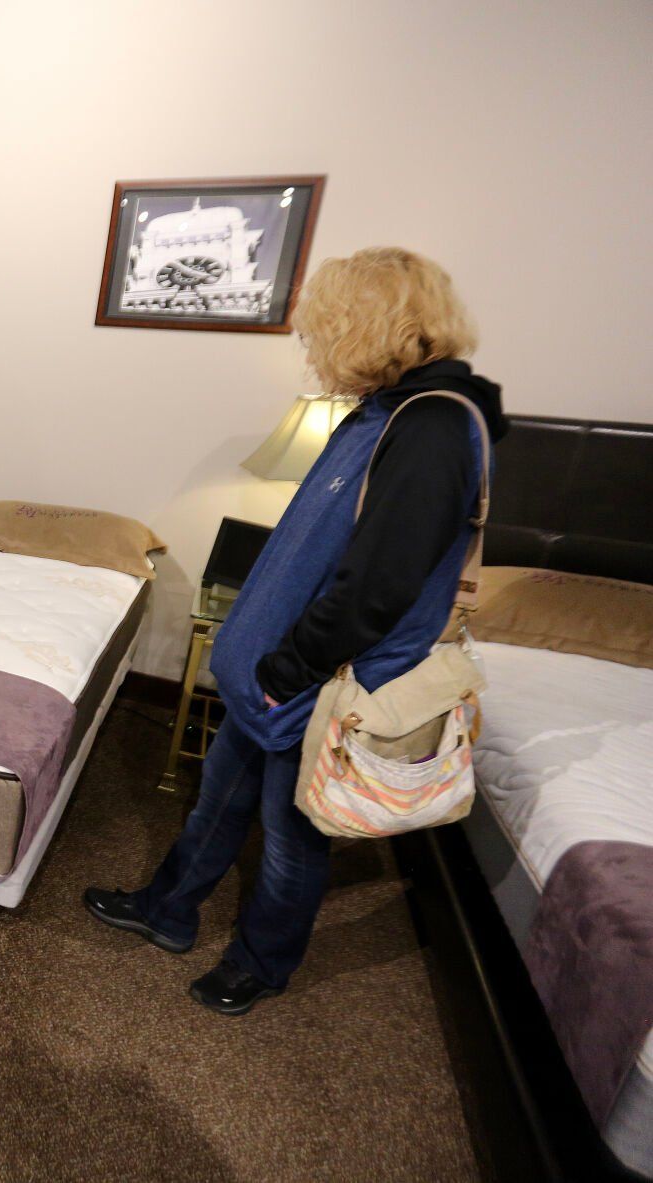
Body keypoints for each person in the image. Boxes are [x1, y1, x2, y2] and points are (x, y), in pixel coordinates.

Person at [84, 247, 508, 1014]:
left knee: (291, 835)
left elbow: (377, 587)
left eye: (320, 332)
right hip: (272, 680)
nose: (314, 351)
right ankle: (168, 907)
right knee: (219, 798)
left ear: (365, 324)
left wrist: (287, 671)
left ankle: (262, 960)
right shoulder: (382, 413)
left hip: (314, 682)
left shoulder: (435, 429)